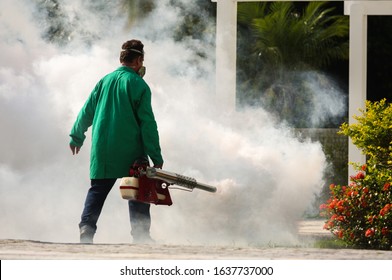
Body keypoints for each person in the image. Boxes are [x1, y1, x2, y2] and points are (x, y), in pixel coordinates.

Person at [69, 39, 164, 244]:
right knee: (138, 188)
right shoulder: (139, 84)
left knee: (98, 190)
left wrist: (76, 135)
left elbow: (87, 111)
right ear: (138, 60)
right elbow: (148, 123)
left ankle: (86, 229)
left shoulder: (104, 81)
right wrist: (155, 155)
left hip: (103, 148)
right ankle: (141, 235)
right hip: (131, 151)